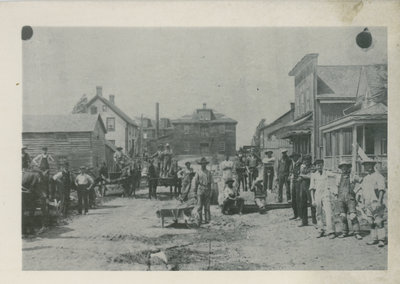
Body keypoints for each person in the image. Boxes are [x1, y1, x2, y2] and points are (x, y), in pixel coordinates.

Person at [358, 160, 386, 247]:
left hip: (375, 201)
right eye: (365, 166)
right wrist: (362, 203)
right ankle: (374, 238)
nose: (367, 167)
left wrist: (379, 201)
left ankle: (382, 239)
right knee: (370, 222)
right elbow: (363, 191)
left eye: (369, 165)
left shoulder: (378, 176)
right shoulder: (365, 178)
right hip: (367, 203)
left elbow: (381, 189)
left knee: (378, 221)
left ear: (373, 165)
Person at [334, 161, 363, 240]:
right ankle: (344, 232)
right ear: (341, 168)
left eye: (346, 167)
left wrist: (357, 192)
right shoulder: (338, 177)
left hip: (350, 198)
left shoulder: (353, 176)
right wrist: (336, 197)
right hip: (341, 198)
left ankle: (357, 233)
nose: (344, 168)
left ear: (348, 167)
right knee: (343, 216)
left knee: (353, 216)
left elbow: (361, 182)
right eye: (342, 167)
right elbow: (336, 188)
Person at [310, 159, 336, 239]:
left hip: (326, 194)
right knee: (318, 213)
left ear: (323, 165)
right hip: (317, 195)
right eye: (317, 165)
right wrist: (313, 200)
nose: (319, 166)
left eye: (321, 164)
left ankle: (331, 231)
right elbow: (312, 188)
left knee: (328, 212)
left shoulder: (327, 173)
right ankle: (320, 230)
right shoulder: (313, 175)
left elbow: (335, 176)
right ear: (315, 166)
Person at [192, 157, 213, 226]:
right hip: (200, 189)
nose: (203, 165)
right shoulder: (198, 172)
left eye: (204, 164)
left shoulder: (209, 173)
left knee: (207, 206)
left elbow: (211, 183)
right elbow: (195, 182)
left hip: (207, 189)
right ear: (200, 165)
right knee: (199, 206)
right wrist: (194, 192)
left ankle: (207, 220)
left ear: (206, 165)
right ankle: (199, 220)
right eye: (202, 164)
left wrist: (211, 192)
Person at [298, 155, 316, 227]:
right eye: (305, 160)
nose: (306, 161)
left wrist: (302, 175)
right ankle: (304, 221)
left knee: (312, 203)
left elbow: (310, 176)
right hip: (303, 186)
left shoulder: (313, 167)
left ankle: (314, 220)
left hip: (310, 186)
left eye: (307, 160)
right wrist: (302, 175)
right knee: (302, 204)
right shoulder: (303, 167)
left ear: (310, 160)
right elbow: (300, 175)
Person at [288, 153, 302, 220]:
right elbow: (291, 172)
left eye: (295, 157)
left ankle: (300, 215)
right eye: (292, 157)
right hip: (293, 182)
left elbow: (301, 173)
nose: (293, 158)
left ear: (297, 157)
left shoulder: (300, 164)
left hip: (298, 183)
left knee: (298, 199)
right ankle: (295, 214)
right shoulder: (292, 164)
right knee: (293, 199)